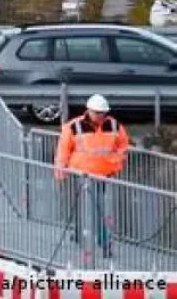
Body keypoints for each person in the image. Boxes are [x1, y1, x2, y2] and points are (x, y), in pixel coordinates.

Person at [55, 94, 129, 254]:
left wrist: (116, 163)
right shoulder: (73, 127)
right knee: (85, 208)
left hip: (102, 175)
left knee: (97, 209)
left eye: (102, 113)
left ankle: (98, 241)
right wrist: (60, 172)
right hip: (80, 174)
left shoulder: (114, 126)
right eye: (97, 112)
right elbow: (63, 150)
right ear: (88, 110)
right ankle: (87, 237)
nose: (100, 116)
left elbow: (123, 146)